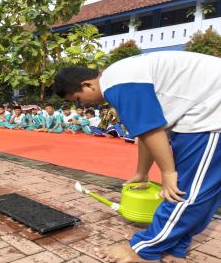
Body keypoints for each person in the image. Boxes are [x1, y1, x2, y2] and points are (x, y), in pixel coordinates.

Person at [53, 51, 221, 262]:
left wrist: (168, 173)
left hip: (211, 115)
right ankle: (175, 243)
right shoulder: (119, 75)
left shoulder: (118, 85)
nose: (84, 105)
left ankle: (143, 250)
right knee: (204, 190)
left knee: (184, 191)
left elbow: (151, 130)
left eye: (79, 99)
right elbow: (145, 133)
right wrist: (141, 172)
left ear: (87, 85)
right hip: (205, 110)